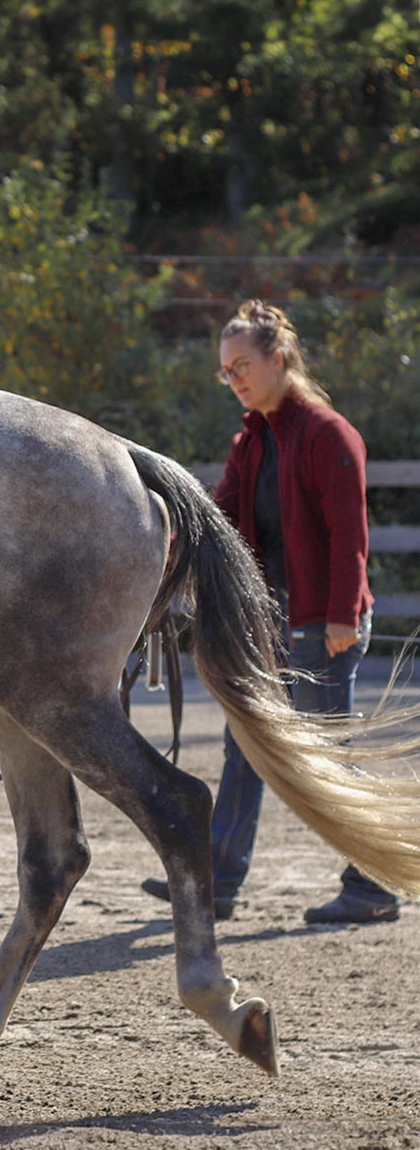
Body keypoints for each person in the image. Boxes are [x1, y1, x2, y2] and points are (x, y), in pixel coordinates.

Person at [141, 299, 399, 924]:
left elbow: (350, 536)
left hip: (321, 623)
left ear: (278, 359)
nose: (234, 379)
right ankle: (217, 881)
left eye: (242, 365)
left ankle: (372, 887)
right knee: (245, 748)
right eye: (226, 371)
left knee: (329, 754)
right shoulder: (249, 443)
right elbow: (220, 520)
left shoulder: (328, 434)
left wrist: (341, 614)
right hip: (266, 625)